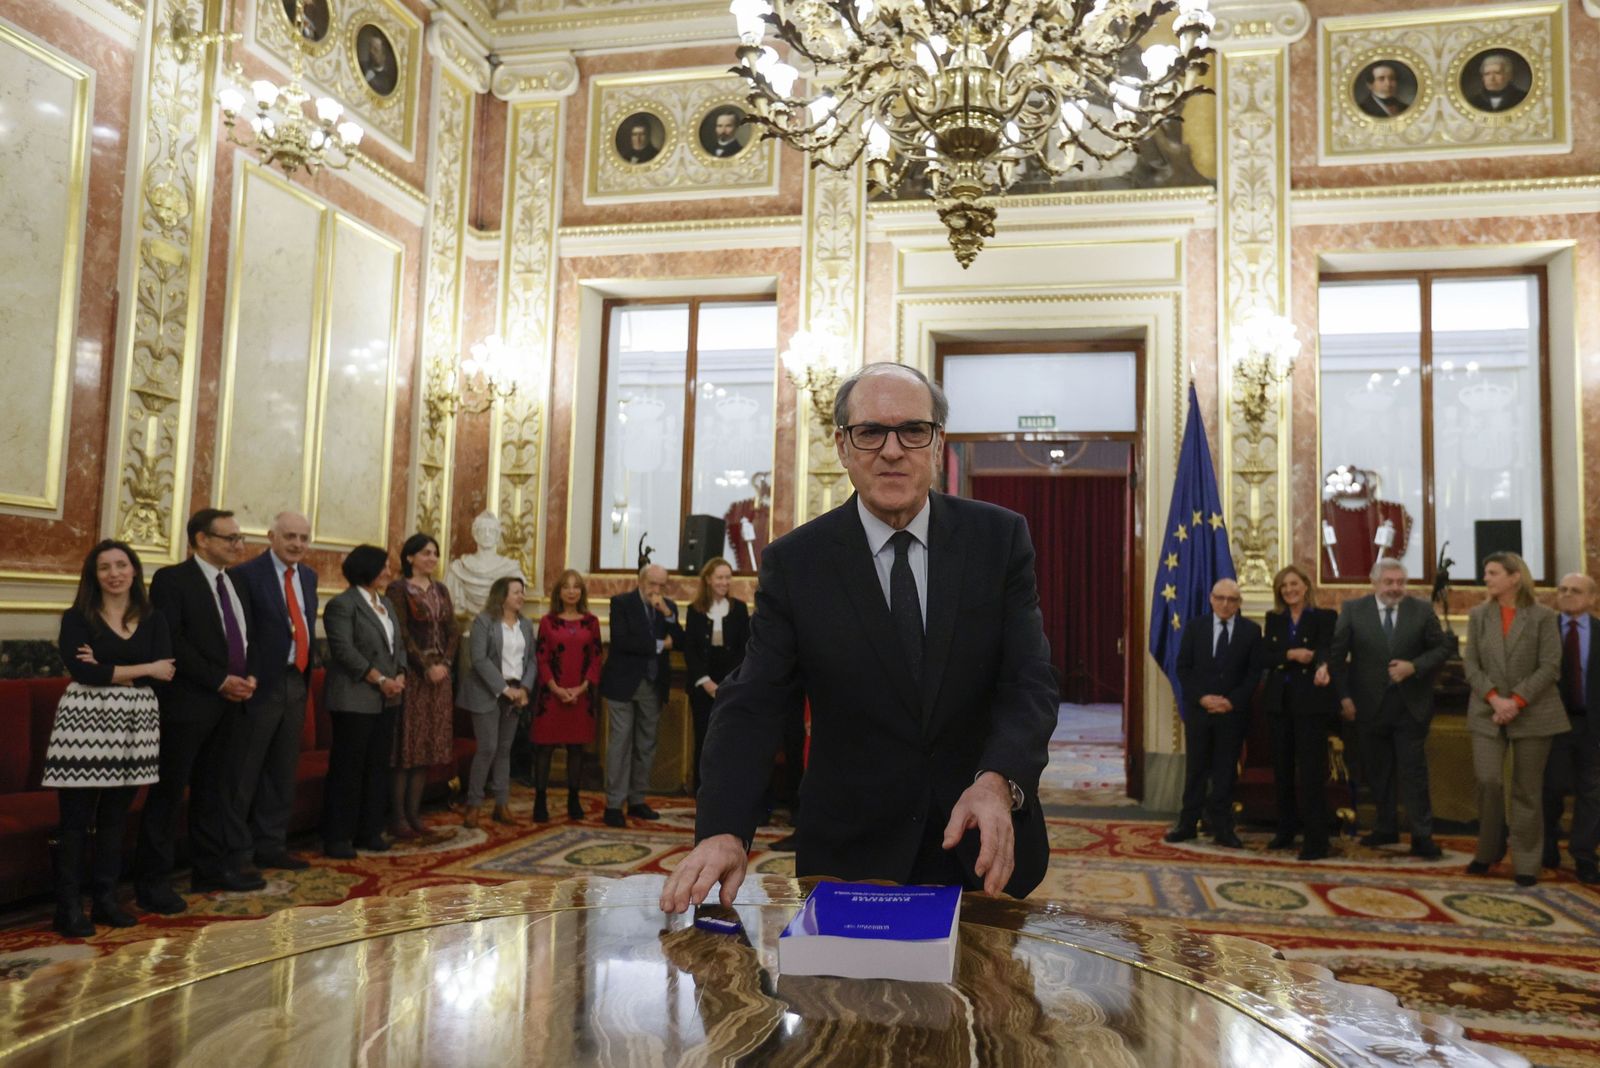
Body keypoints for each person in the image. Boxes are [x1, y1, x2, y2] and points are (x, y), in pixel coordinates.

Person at [661, 362, 1057, 915]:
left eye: (912, 431)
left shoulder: (999, 539)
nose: (891, 450)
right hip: (850, 856)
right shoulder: (796, 563)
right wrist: (725, 829)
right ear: (843, 447)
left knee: (988, 1000)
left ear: (936, 442)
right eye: (870, 432)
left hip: (981, 848)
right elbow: (753, 703)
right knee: (844, 1005)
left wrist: (999, 780)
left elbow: (1028, 679)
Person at [42, 541, 173, 936]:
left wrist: (110, 667)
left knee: (116, 819)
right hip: (84, 722)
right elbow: (86, 675)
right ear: (93, 575)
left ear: (134, 570)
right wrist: (142, 666)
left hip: (137, 721)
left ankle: (105, 901)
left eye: (121, 564)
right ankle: (67, 907)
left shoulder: (153, 618)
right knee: (76, 821)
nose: (114, 573)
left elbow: (165, 670)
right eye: (104, 567)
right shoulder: (78, 617)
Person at [135, 508, 260, 915]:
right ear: (202, 540)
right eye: (230, 538)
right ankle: (153, 880)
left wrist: (248, 677)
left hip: (232, 704)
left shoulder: (235, 581)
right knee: (169, 794)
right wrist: (219, 680)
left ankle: (209, 868)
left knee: (214, 790)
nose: (238, 545)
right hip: (188, 705)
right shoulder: (174, 580)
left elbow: (242, 636)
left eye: (239, 538)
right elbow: (174, 640)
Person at [1317, 557, 1453, 859]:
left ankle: (1421, 834)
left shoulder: (1420, 610)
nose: (1395, 588)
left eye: (1400, 582)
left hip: (1410, 705)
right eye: (1389, 582)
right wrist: (1344, 698)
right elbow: (1338, 659)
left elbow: (1443, 648)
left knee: (1413, 773)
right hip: (1368, 706)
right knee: (1378, 773)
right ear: (1374, 582)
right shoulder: (1353, 610)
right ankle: (1385, 826)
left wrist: (1413, 667)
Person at [1461, 552, 1566, 886]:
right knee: (1489, 780)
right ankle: (1487, 850)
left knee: (1526, 789)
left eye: (1492, 573)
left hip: (1534, 710)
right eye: (1486, 573)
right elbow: (1471, 665)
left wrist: (1516, 701)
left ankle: (1525, 862)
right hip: (1486, 708)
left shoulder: (1543, 616)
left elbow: (1550, 666)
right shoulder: (1479, 615)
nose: (1486, 579)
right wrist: (1495, 698)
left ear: (1514, 577)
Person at [224, 511, 315, 873]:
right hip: (260, 684)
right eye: (290, 536)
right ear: (271, 536)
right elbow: (239, 633)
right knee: (245, 771)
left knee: (282, 769)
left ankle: (271, 845)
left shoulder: (308, 576)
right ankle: (237, 853)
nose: (297, 544)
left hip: (296, 681)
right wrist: (248, 676)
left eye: (303, 538)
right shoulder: (245, 575)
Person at [321, 544, 407, 859]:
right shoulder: (343, 605)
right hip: (354, 698)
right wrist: (379, 679)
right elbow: (344, 650)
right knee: (349, 768)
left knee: (376, 766)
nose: (389, 571)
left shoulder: (385, 604)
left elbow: (398, 645)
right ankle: (337, 836)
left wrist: (400, 674)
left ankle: (369, 830)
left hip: (388, 699)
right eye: (384, 566)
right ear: (366, 568)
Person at [1164, 578, 1262, 849]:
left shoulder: (1251, 631)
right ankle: (1187, 824)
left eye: (1232, 600)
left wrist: (1231, 701)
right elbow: (1183, 668)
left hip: (1232, 714)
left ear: (1239, 603)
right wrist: (1202, 698)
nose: (1225, 604)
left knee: (1225, 772)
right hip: (1200, 712)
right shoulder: (1196, 628)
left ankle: (1222, 827)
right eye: (1220, 598)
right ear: (1211, 598)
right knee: (1195, 769)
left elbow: (1254, 674)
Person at [1257, 565, 1337, 860]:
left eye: (1294, 584)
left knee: (1312, 772)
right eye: (1283, 586)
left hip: (1311, 704)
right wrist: (1291, 655)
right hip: (1279, 704)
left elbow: (1328, 649)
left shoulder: (1324, 617)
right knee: (1282, 770)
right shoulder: (1273, 619)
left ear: (1305, 586)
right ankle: (1286, 830)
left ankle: (1316, 839)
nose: (1289, 589)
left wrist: (1322, 665)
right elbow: (1265, 656)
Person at [599, 563, 684, 828]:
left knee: (646, 744)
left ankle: (637, 799)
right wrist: (660, 644)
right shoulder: (621, 603)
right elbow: (623, 641)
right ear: (641, 581)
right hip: (623, 684)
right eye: (652, 584)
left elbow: (681, 640)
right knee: (620, 743)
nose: (656, 590)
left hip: (653, 684)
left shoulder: (668, 607)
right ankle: (614, 804)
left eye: (661, 585)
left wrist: (668, 615)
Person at [386, 534, 457, 843]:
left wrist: (446, 665)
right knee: (407, 748)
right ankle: (397, 817)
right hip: (415, 677)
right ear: (410, 557)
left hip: (440, 678)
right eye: (425, 553)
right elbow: (401, 632)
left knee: (426, 747)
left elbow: (453, 630)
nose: (431, 558)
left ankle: (415, 815)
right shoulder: (399, 589)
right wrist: (425, 667)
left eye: (435, 553)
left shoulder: (440, 589)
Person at [459, 576, 537, 827]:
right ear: (502, 595)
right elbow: (479, 660)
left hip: (516, 693)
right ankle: (473, 804)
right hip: (487, 692)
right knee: (488, 748)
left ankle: (502, 804)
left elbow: (532, 660)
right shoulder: (484, 622)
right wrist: (504, 689)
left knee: (505, 750)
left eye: (522, 592)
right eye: (516, 592)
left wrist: (524, 688)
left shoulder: (525, 625)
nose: (521, 597)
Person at [1542, 573, 1600, 884]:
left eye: (1575, 591)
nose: (1567, 595)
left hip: (1592, 725)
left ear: (1592, 598)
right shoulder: (1543, 630)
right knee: (1550, 789)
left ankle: (1584, 855)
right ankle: (1548, 844)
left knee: (1592, 793)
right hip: (1553, 723)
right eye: (1562, 590)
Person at [534, 570, 603, 821]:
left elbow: (596, 657)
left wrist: (582, 687)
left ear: (582, 592)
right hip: (551, 695)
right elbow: (541, 658)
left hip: (580, 695)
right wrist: (556, 689)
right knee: (545, 749)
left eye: (576, 587)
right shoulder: (547, 622)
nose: (572, 591)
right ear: (559, 592)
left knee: (577, 749)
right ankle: (539, 801)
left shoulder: (591, 622)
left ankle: (573, 800)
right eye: (566, 587)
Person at [683, 557, 750, 792]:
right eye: (720, 577)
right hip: (703, 685)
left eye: (728, 577)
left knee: (730, 739)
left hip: (731, 685)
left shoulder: (739, 609)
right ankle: (702, 789)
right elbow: (690, 650)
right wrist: (706, 682)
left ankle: (727, 789)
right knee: (704, 738)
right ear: (709, 580)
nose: (724, 582)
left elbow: (744, 649)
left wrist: (730, 684)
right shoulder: (694, 611)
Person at [445, 511, 522, 617]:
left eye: (491, 531)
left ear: (497, 536)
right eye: (482, 530)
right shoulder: (459, 568)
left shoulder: (510, 569)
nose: (487, 534)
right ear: (475, 534)